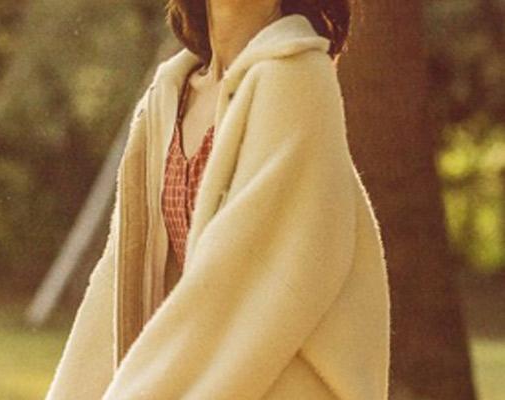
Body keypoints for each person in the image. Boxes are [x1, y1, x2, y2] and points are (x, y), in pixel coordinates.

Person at [46, 1, 391, 399]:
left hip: (276, 382)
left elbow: (242, 278)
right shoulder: (168, 96)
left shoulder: (297, 78)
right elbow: (118, 281)